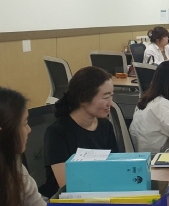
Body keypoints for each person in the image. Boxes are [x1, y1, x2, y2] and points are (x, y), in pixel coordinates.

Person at [41, 67, 118, 198]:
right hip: (68, 202)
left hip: (101, 195)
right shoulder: (57, 133)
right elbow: (66, 186)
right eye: (105, 97)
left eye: (111, 96)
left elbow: (116, 168)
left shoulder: (105, 126)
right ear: (83, 99)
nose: (110, 103)